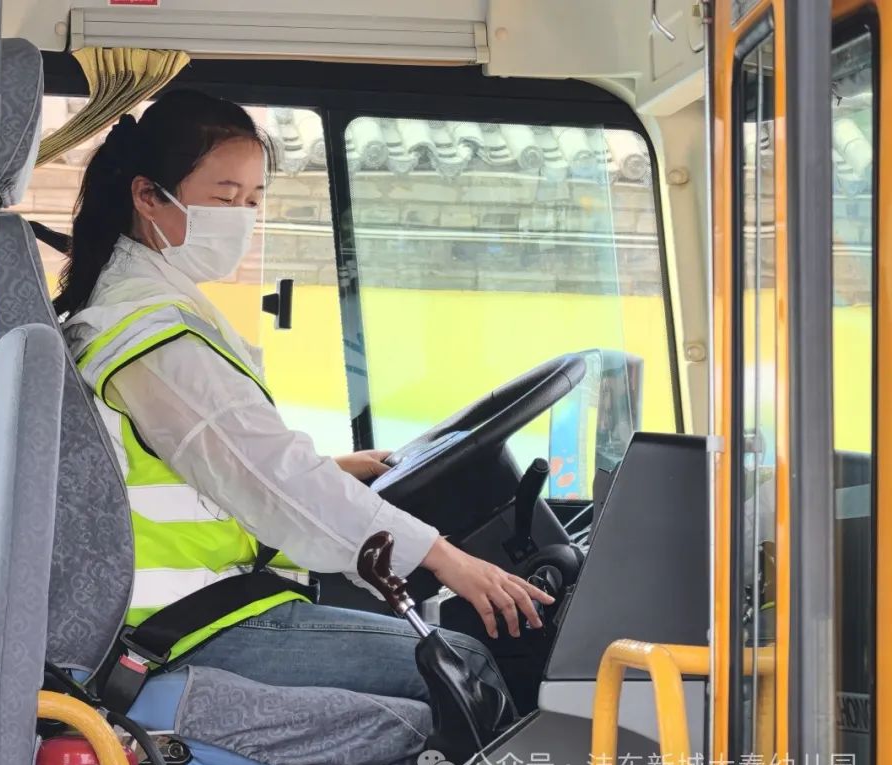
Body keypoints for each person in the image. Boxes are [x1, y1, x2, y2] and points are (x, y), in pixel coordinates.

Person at [58, 89, 552, 705]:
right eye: (224, 199)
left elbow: (220, 459)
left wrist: (334, 470)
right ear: (147, 196)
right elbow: (274, 475)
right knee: (467, 665)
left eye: (253, 200)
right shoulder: (153, 337)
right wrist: (444, 558)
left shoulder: (149, 304)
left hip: (201, 604)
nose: (241, 217)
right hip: (179, 626)